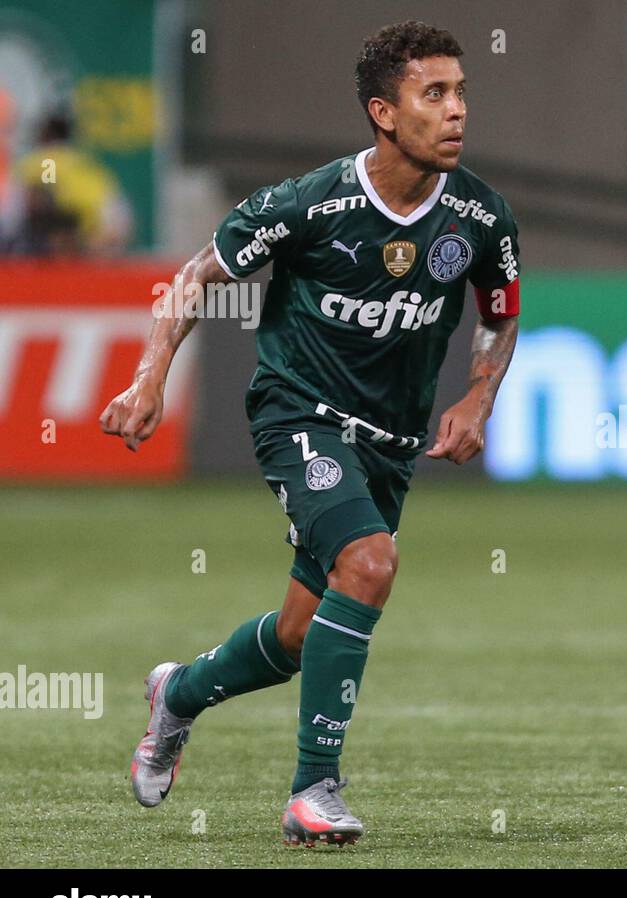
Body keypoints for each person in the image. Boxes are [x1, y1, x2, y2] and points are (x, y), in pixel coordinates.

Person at [99, 21, 521, 847]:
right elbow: (195, 277)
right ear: (384, 112)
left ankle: (178, 695)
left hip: (390, 446)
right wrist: (150, 378)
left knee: (298, 638)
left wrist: (478, 397)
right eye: (433, 94)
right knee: (369, 564)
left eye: (461, 91)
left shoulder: (482, 217)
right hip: (299, 415)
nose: (457, 110)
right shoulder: (309, 203)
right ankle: (313, 791)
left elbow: (500, 315)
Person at [14, 113, 133, 255]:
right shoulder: (83, 158)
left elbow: (44, 195)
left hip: (86, 222)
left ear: (46, 135)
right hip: (112, 217)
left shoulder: (47, 159)